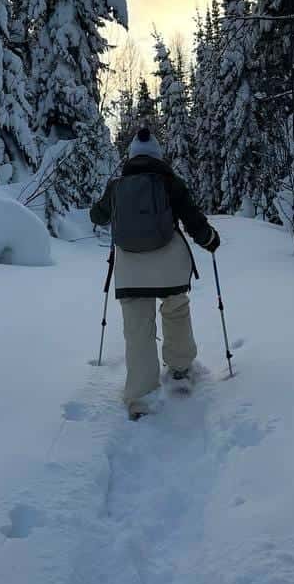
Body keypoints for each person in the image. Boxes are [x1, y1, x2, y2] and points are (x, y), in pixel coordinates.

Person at [90, 127, 220, 418]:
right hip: (169, 266)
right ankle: (179, 369)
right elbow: (193, 220)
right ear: (158, 156)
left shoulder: (116, 186)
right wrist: (210, 239)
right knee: (175, 310)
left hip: (130, 269)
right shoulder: (172, 182)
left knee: (138, 330)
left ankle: (140, 397)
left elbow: (97, 216)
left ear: (132, 156)